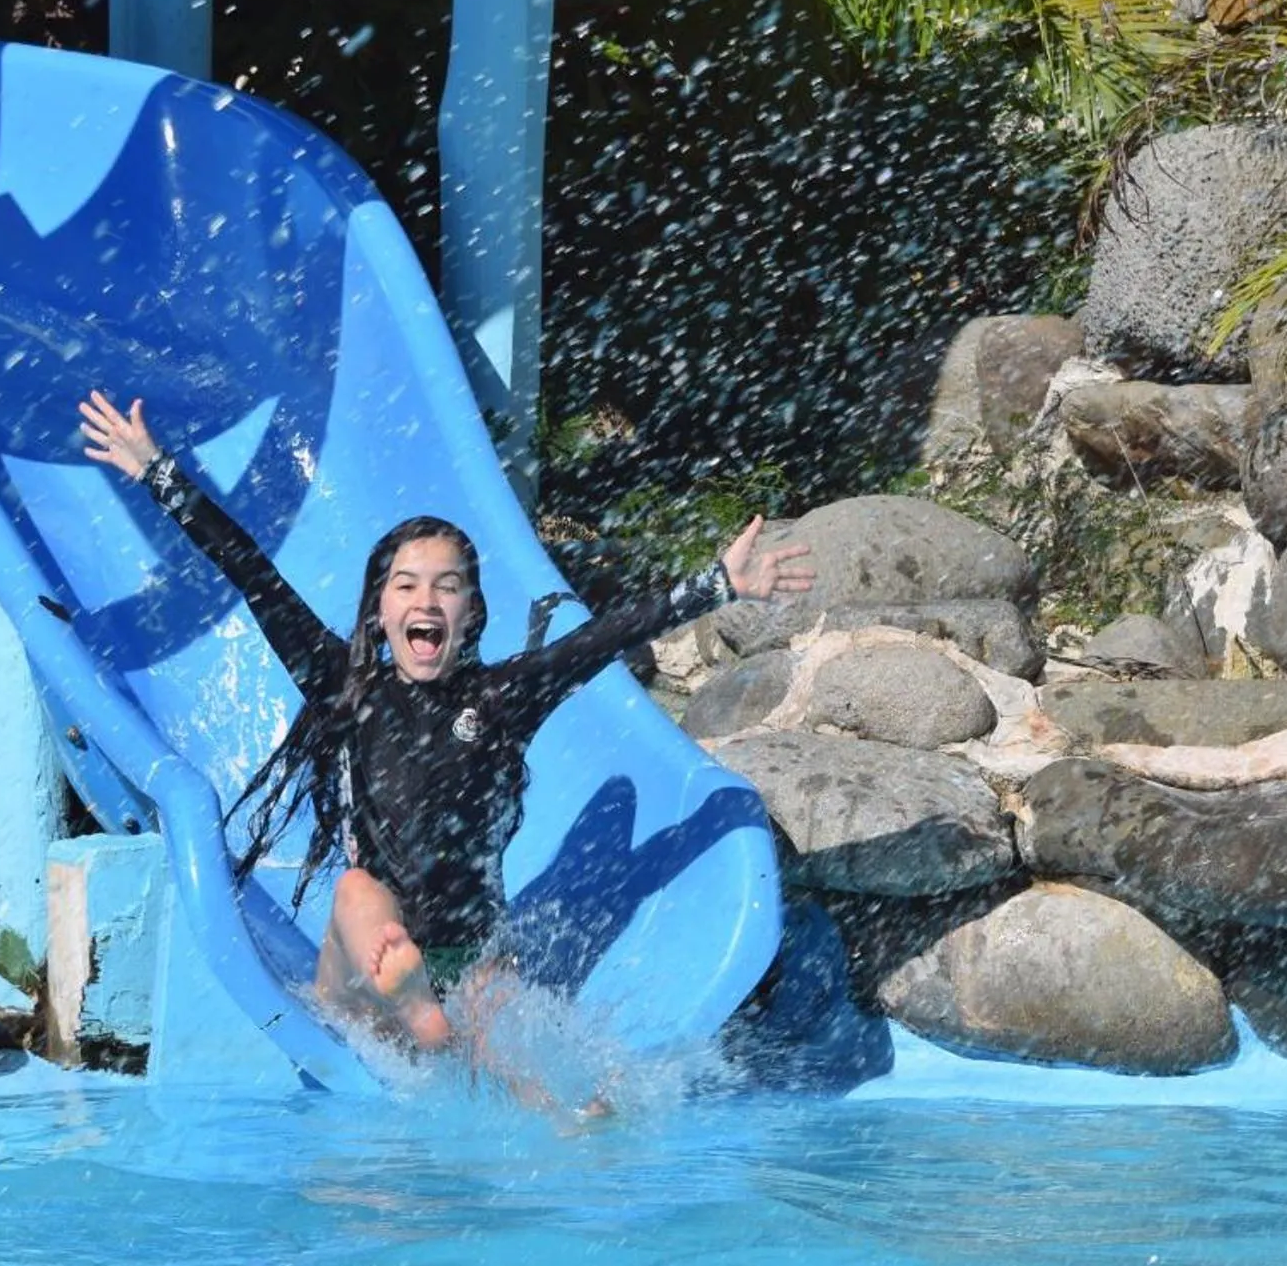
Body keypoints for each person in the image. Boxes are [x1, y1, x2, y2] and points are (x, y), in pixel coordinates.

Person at [77, 390, 815, 1067]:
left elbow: (598, 641)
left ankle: (551, 1102)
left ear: (469, 615)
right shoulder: (346, 684)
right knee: (359, 892)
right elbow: (252, 572)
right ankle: (425, 1021)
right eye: (406, 584)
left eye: (447, 585)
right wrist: (160, 473)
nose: (425, 597)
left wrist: (716, 585)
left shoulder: (502, 697)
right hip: (364, 967)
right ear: (379, 611)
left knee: (528, 1059)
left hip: (473, 961)